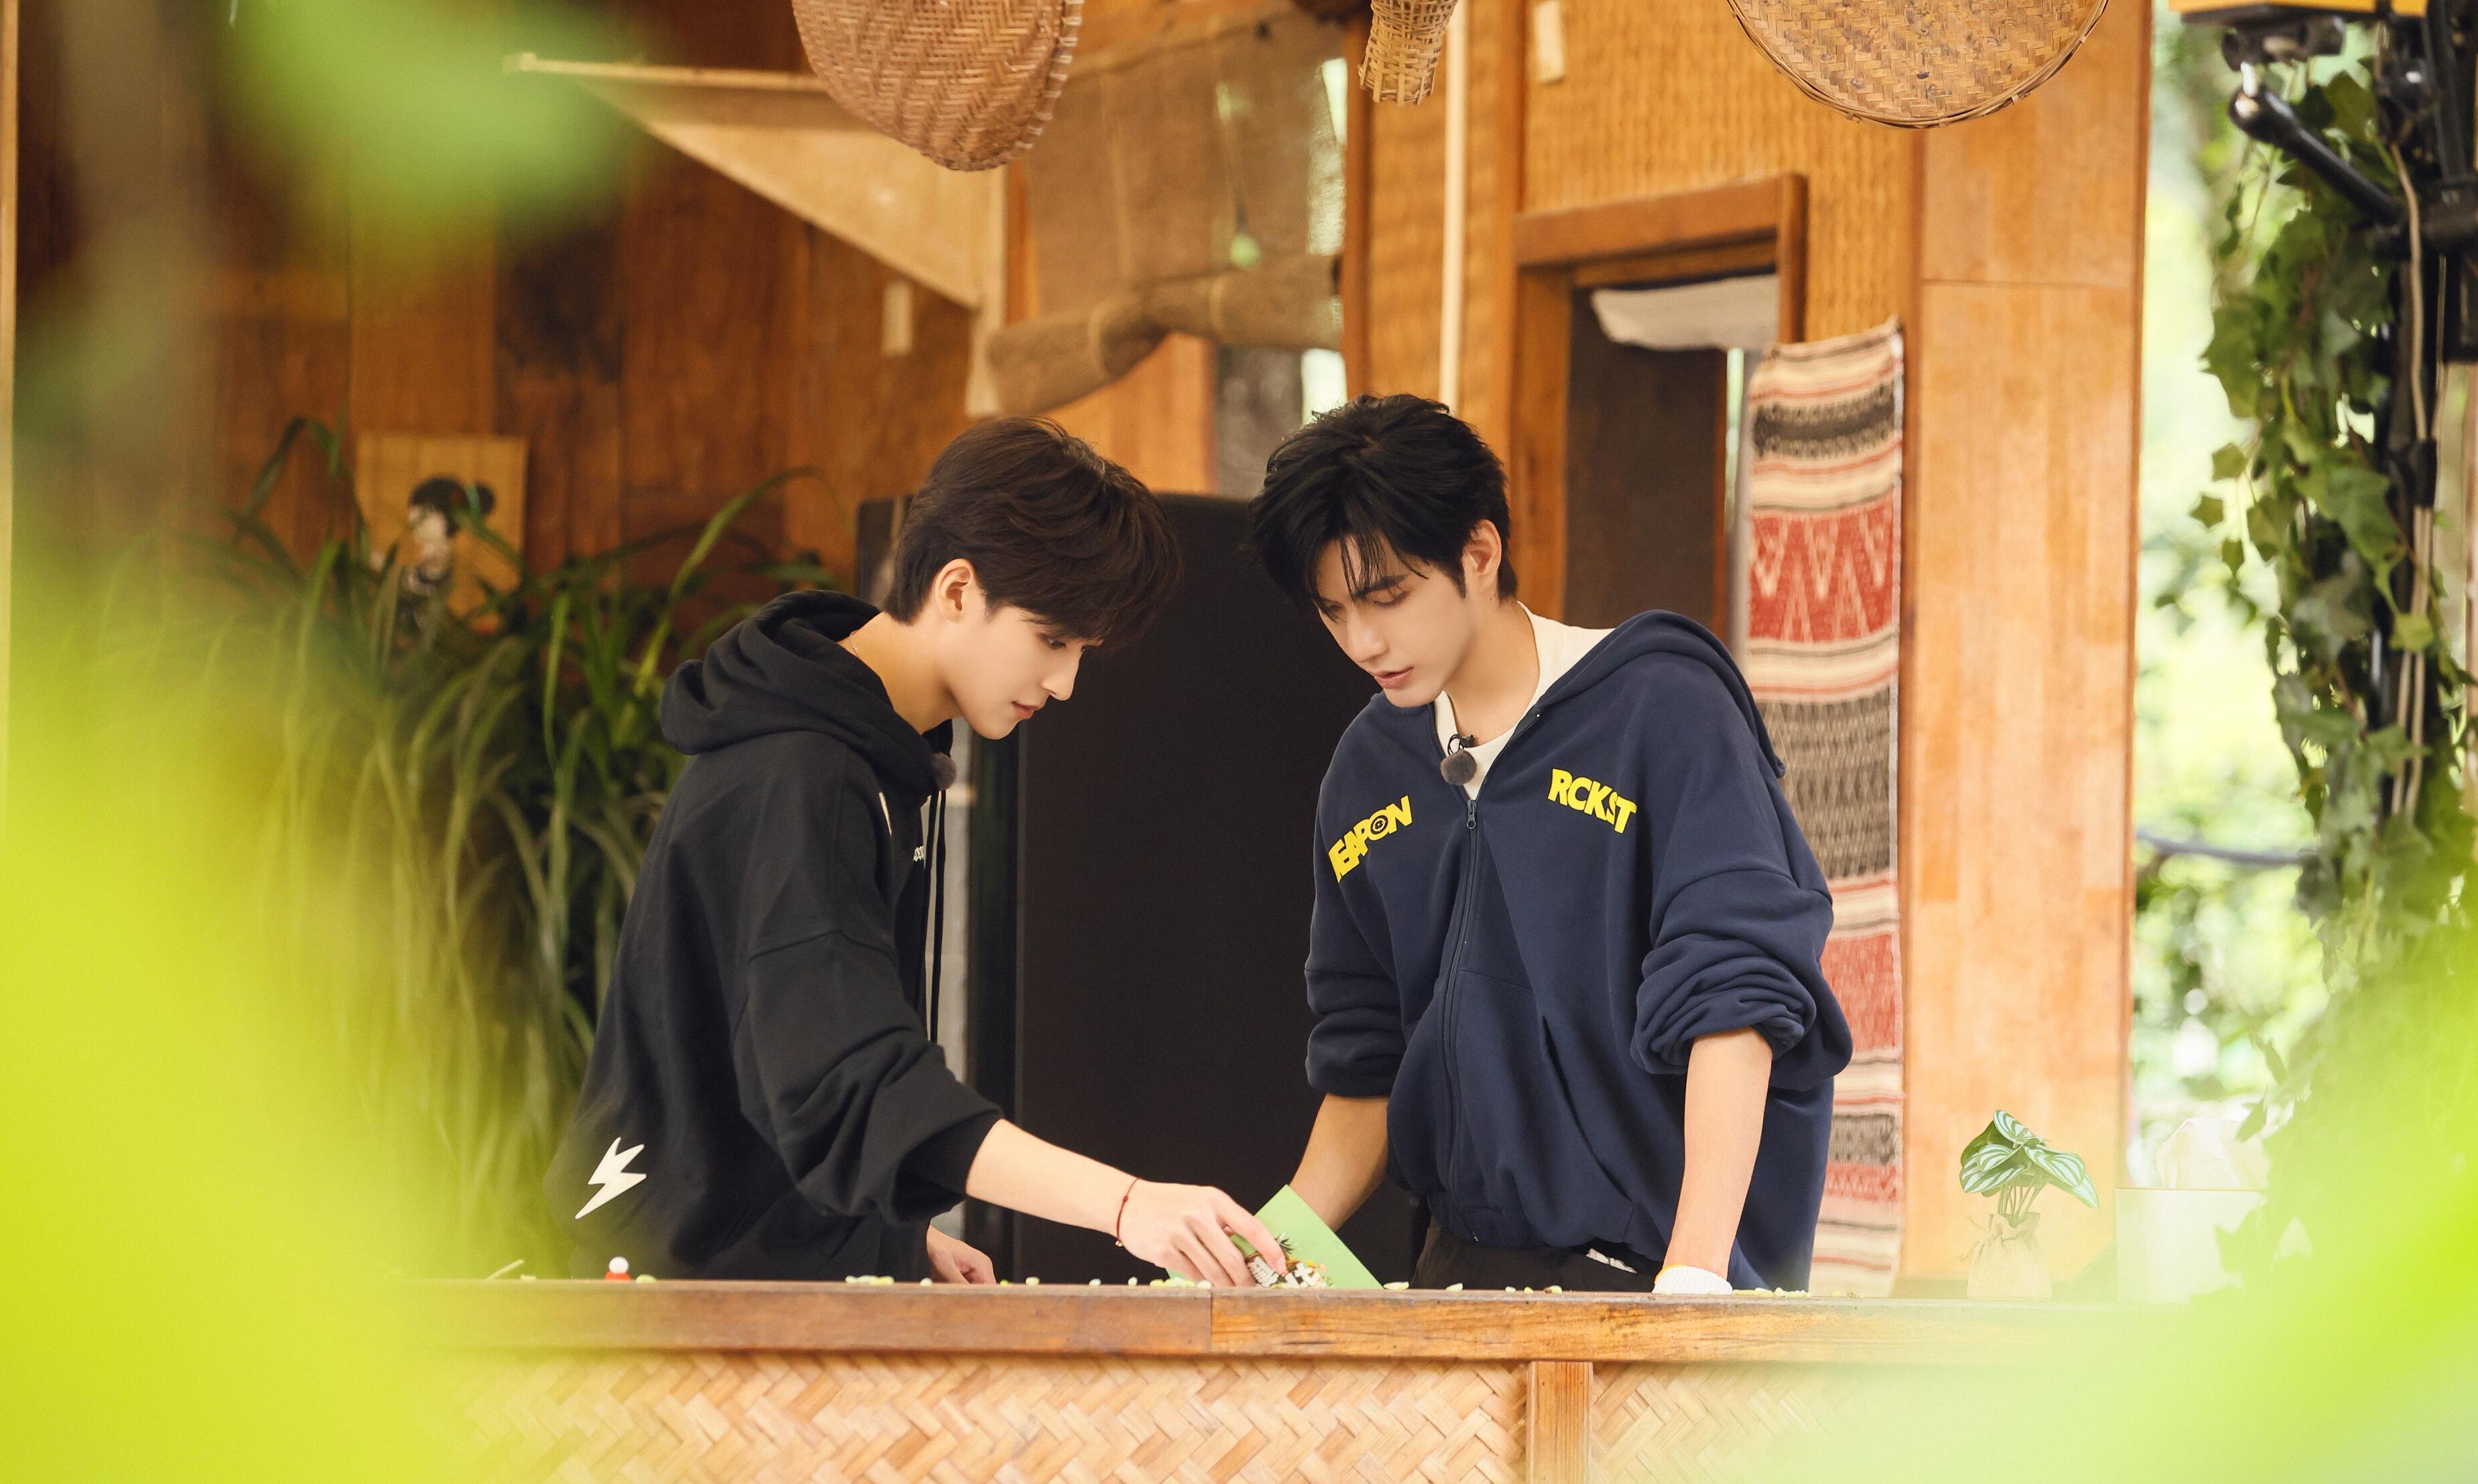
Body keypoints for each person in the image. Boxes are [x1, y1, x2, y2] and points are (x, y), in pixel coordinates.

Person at [545, 418, 1283, 1287]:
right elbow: (851, 1082)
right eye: (1052, 639)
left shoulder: (865, 756)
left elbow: (777, 1060)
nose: (1065, 683)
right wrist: (1127, 1205)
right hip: (677, 1309)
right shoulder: (804, 778)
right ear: (958, 590)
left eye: (1083, 651)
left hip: (747, 1280)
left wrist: (882, 1239)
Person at [1245, 395, 1850, 1294]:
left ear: (1479, 552)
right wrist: (1256, 1260)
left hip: (1658, 1277)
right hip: (1462, 1276)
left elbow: (1736, 1001)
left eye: (1389, 596)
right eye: (1334, 612)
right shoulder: (1369, 770)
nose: (1364, 640)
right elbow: (1368, 1068)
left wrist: (1694, 1278)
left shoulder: (1662, 708)